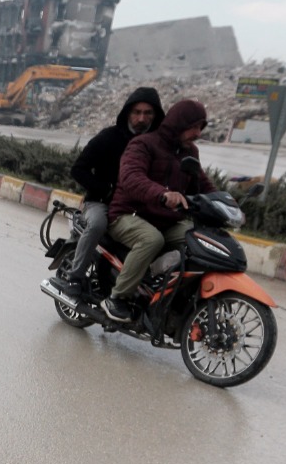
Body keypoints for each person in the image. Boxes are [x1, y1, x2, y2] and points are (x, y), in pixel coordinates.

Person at [102, 98, 216, 323]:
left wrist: (226, 203)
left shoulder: (190, 151)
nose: (197, 133)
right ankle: (117, 298)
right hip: (128, 215)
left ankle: (170, 295)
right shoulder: (143, 144)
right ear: (178, 125)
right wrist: (162, 194)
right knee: (152, 240)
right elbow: (131, 177)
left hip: (167, 220)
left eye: (200, 127)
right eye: (193, 127)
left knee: (198, 240)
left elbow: (202, 183)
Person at [55, 87, 164, 294]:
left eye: (148, 113)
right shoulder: (109, 137)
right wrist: (106, 190)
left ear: (156, 115)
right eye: (137, 112)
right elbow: (78, 169)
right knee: (97, 225)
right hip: (101, 202)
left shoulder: (157, 144)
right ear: (127, 113)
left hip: (137, 207)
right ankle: (75, 278)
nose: (142, 118)